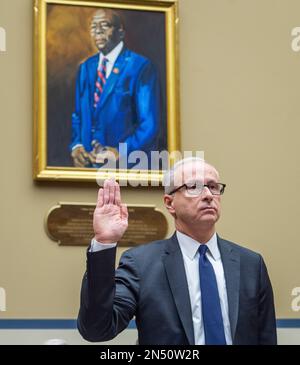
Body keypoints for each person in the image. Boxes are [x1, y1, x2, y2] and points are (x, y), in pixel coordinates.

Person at [77, 157, 277, 345]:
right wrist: (104, 242)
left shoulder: (251, 264)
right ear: (169, 203)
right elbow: (97, 329)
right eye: (194, 187)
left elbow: (266, 338)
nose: (208, 195)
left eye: (214, 187)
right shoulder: (141, 264)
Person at [70, 9, 162, 168]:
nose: (97, 31)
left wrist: (121, 152)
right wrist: (77, 146)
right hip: (88, 168)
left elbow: (149, 125)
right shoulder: (86, 67)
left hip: (126, 168)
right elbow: (78, 115)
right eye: (93, 27)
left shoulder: (140, 66)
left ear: (120, 33)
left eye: (105, 25)